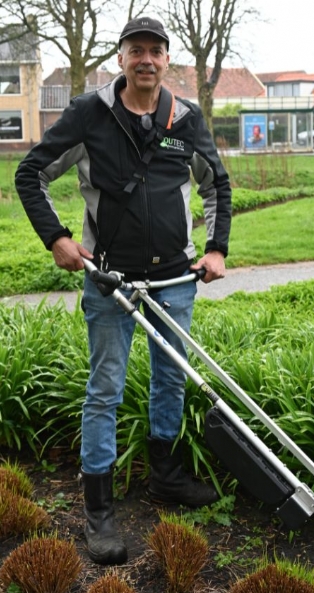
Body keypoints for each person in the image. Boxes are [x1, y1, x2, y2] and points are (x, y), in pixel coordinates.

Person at [15, 16, 231, 565]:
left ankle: (166, 478)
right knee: (105, 389)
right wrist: (57, 239)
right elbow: (31, 172)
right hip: (109, 280)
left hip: (176, 277)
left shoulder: (185, 118)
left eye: (156, 52)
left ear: (166, 61)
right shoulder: (90, 113)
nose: (147, 60)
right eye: (137, 50)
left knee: (169, 382)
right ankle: (99, 511)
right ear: (122, 59)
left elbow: (217, 184)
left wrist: (216, 249)